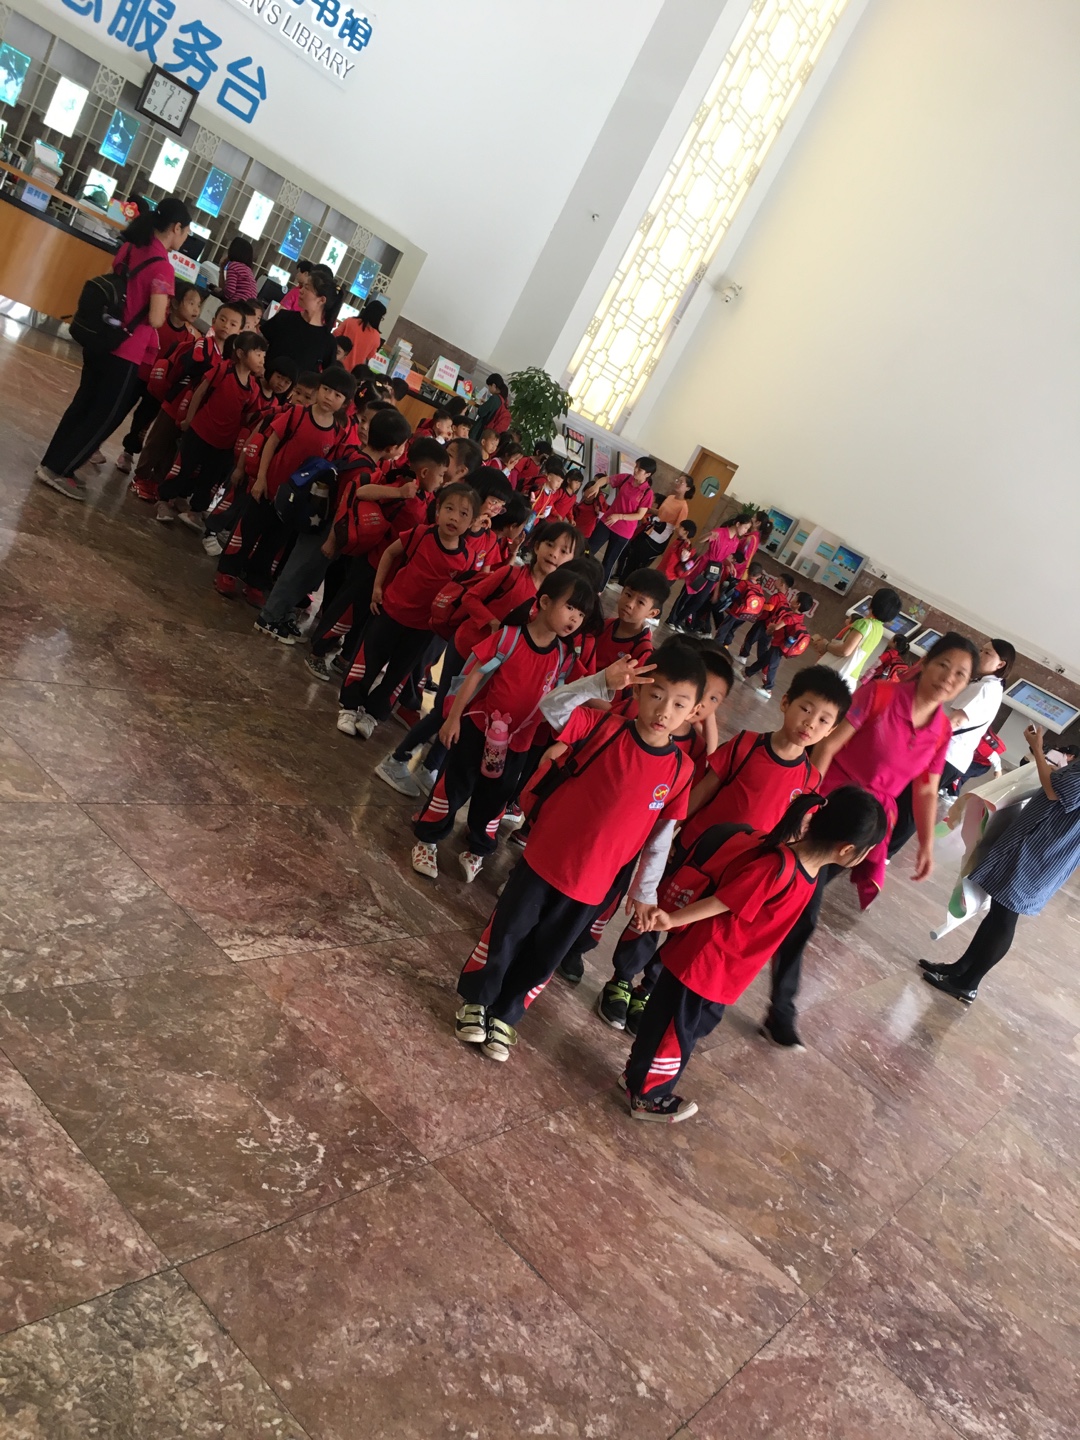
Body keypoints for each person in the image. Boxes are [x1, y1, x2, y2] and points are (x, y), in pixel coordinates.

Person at [452, 645, 706, 1063]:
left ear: (694, 712)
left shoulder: (681, 770)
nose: (664, 710)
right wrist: (601, 681)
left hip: (594, 885)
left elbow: (660, 838)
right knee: (507, 933)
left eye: (679, 704)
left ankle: (507, 1014)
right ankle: (477, 1001)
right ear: (638, 691)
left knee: (547, 953)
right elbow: (552, 707)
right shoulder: (602, 727)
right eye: (656, 695)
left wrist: (645, 893)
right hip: (544, 860)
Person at [602, 663, 850, 1030]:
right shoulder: (747, 745)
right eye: (806, 709)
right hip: (695, 855)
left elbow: (791, 837)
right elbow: (701, 793)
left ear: (830, 731)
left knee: (688, 931)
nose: (810, 723)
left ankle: (648, 989)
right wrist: (667, 835)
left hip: (736, 875)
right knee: (654, 914)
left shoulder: (810, 779)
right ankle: (621, 979)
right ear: (785, 702)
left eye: (823, 720)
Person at [762, 632, 979, 1048]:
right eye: (943, 665)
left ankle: (777, 1004)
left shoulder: (939, 731)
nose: (948, 678)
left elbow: (926, 789)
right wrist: (807, 802)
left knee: (795, 900)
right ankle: (779, 1008)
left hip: (861, 829)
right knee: (796, 904)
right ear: (926, 663)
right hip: (826, 809)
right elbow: (829, 746)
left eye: (960, 675)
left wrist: (926, 845)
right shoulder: (880, 695)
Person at [624, 787, 887, 1121]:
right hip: (703, 964)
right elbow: (723, 902)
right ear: (848, 849)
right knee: (673, 1032)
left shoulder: (807, 872)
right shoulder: (778, 867)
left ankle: (636, 1079)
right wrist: (672, 920)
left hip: (725, 969)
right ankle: (648, 1096)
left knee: (686, 1026)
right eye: (868, 850)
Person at [410, 568, 592, 882]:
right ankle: (427, 839)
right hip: (477, 731)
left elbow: (585, 691)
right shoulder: (510, 637)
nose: (575, 618)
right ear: (544, 602)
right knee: (454, 787)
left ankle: (478, 849)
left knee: (495, 798)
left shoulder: (564, 657)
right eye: (570, 607)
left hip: (517, 745)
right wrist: (453, 719)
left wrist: (615, 687)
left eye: (582, 613)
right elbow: (474, 676)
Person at [374, 519, 582, 796]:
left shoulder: (554, 598)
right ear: (536, 545)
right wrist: (492, 623)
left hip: (495, 666)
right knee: (447, 710)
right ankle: (396, 760)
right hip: (467, 649)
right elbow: (471, 597)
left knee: (465, 716)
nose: (554, 554)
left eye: (564, 551)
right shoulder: (511, 575)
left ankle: (429, 767)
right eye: (550, 544)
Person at [36, 196, 191, 501]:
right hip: (126, 351)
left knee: (82, 406)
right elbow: (157, 318)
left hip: (102, 338)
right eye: (185, 232)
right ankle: (59, 470)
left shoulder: (131, 246)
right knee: (103, 416)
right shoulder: (163, 267)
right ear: (176, 228)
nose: (184, 238)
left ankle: (52, 462)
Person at [920, 726, 1080, 1003]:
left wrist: (1038, 749)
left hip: (1041, 852)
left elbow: (1055, 792)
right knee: (998, 912)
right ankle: (961, 968)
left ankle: (968, 984)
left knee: (1005, 916)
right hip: (1039, 846)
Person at [254, 404, 413, 643]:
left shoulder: (353, 453)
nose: (403, 450)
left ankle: (282, 613)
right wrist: (331, 540)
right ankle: (268, 617)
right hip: (327, 528)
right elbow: (346, 502)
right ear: (392, 448)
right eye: (402, 446)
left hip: (320, 522)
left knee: (307, 575)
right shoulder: (364, 469)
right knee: (298, 572)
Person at [336, 483, 480, 739]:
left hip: (423, 628)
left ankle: (372, 714)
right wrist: (378, 587)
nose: (454, 518)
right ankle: (349, 706)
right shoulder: (421, 534)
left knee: (398, 674)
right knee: (368, 661)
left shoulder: (467, 559)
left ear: (471, 522)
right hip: (391, 612)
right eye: (449, 509)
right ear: (438, 510)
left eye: (463, 514)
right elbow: (390, 553)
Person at [215, 366, 357, 606]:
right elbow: (271, 443)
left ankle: (255, 582)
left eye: (337, 395)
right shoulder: (297, 414)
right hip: (268, 488)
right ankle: (227, 571)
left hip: (295, 503)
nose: (329, 397)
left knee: (273, 544)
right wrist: (261, 478)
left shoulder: (338, 433)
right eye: (326, 390)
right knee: (247, 531)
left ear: (345, 403)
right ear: (318, 389)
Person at [155, 330, 267, 525]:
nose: (261, 360)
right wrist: (189, 419)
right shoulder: (223, 370)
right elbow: (200, 392)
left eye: (263, 356)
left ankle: (196, 510)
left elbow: (250, 417)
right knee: (183, 467)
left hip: (224, 443)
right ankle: (164, 500)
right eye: (257, 354)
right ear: (241, 354)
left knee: (210, 479)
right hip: (200, 430)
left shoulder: (253, 388)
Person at [113, 281, 203, 475]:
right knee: (118, 410)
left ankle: (128, 452)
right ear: (176, 303)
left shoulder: (190, 338)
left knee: (143, 422)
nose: (196, 309)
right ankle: (96, 443)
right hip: (138, 376)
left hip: (158, 389)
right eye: (191, 303)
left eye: (199, 305)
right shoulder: (157, 323)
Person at [939, 638, 1015, 793]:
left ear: (1000, 664)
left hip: (945, 754)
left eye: (987, 653)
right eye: (981, 650)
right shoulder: (989, 685)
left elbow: (956, 721)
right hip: (950, 756)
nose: (980, 655)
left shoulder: (985, 688)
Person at [668, 514, 755, 632]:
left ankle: (679, 620)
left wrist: (729, 564)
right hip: (704, 566)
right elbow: (701, 540)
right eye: (745, 528)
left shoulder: (735, 541)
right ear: (738, 524)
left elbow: (724, 558)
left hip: (715, 571)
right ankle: (671, 619)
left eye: (747, 529)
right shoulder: (720, 532)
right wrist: (709, 535)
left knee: (700, 599)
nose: (745, 531)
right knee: (688, 594)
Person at [812, 587, 903, 691]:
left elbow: (845, 651)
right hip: (850, 678)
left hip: (833, 675)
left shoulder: (864, 624)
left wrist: (826, 646)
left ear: (874, 602)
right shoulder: (879, 629)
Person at [588, 458, 658, 587]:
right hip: (607, 521)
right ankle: (577, 572)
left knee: (608, 561)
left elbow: (640, 515)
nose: (635, 470)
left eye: (640, 469)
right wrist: (596, 485)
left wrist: (619, 517)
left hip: (623, 531)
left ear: (648, 474)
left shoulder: (647, 492)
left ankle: (598, 588)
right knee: (588, 549)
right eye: (636, 466)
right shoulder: (626, 478)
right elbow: (606, 479)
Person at [261, 267, 339, 372]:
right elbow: (260, 344)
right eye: (302, 287)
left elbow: (327, 376)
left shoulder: (328, 342)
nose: (301, 291)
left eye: (307, 288)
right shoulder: (284, 317)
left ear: (321, 300)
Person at [616, 474, 694, 579]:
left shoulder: (683, 507)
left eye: (681, 482)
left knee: (640, 560)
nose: (678, 483)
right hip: (650, 530)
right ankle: (621, 579)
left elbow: (678, 528)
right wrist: (645, 508)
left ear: (687, 488)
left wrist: (684, 539)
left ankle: (629, 582)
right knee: (632, 552)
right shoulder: (670, 497)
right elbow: (660, 512)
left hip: (659, 538)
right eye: (677, 480)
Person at [744, 591, 814, 698]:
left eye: (795, 598)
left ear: (797, 604)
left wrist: (771, 627)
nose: (792, 599)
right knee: (764, 660)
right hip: (779, 644)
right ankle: (747, 673)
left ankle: (768, 688)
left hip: (779, 646)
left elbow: (777, 627)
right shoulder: (799, 617)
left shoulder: (791, 618)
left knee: (772, 666)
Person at [713, 561, 767, 649]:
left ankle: (716, 644)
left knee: (725, 627)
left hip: (736, 612)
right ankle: (726, 644)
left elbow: (735, 595)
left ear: (748, 571)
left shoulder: (744, 583)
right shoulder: (759, 588)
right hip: (747, 614)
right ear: (759, 576)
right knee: (733, 629)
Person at [333, 299, 386, 368]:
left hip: (335, 364)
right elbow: (369, 357)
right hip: (353, 371)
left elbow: (335, 336)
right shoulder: (376, 337)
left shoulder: (350, 321)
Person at [216, 237, 259, 303]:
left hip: (239, 304)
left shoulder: (234, 266)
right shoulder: (248, 270)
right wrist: (222, 268)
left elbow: (229, 292)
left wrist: (217, 292)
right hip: (249, 305)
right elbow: (226, 289)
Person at [657, 520, 698, 586]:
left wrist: (685, 553)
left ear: (686, 532)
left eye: (680, 527)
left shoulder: (685, 545)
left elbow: (683, 559)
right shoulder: (679, 540)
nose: (677, 527)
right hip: (662, 571)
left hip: (668, 576)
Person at [470, 374, 511, 439]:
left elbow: (481, 412)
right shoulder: (503, 400)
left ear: (494, 385)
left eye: (489, 386)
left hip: (481, 431)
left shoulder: (495, 398)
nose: (489, 389)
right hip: (489, 434)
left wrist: (483, 405)